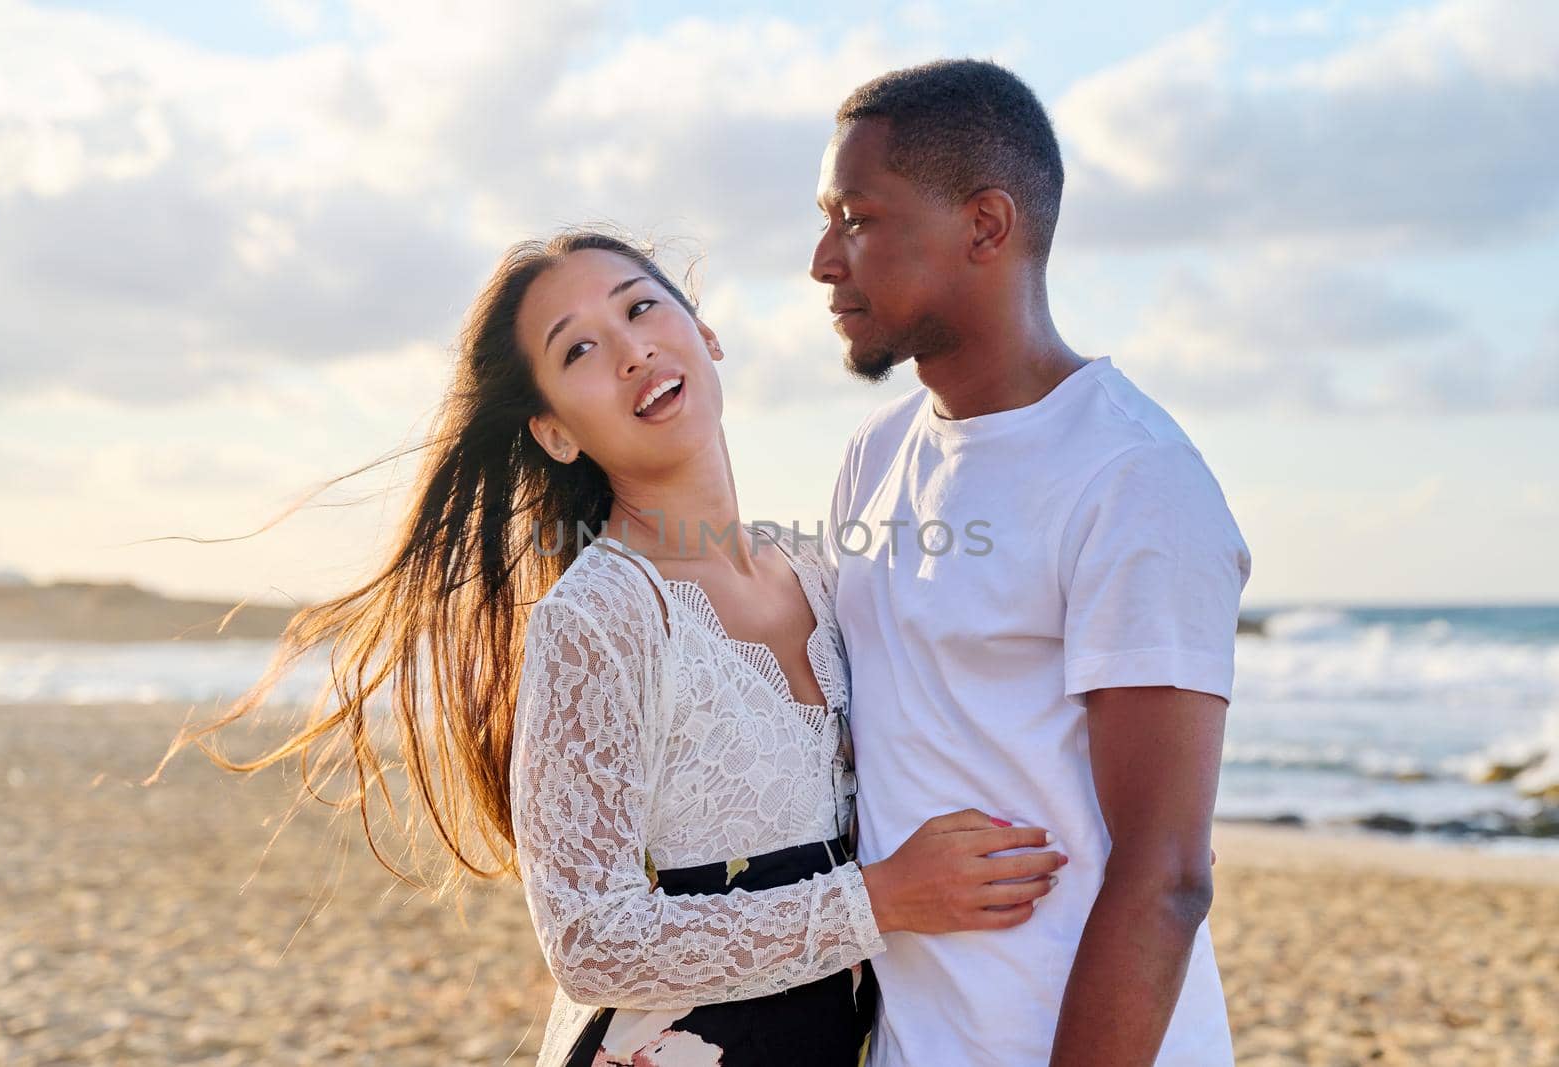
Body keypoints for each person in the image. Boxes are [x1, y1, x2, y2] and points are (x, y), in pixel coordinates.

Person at [155, 230, 1066, 1067]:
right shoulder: (598, 619)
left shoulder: (819, 573)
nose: (631, 350)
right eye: (578, 349)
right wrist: (883, 900)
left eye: (639, 308)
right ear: (553, 431)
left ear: (705, 336)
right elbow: (588, 939)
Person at [811, 61, 1252, 1066]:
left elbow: (1168, 871)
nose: (823, 260)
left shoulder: (1133, 478)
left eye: (858, 219)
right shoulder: (874, 457)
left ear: (986, 225)